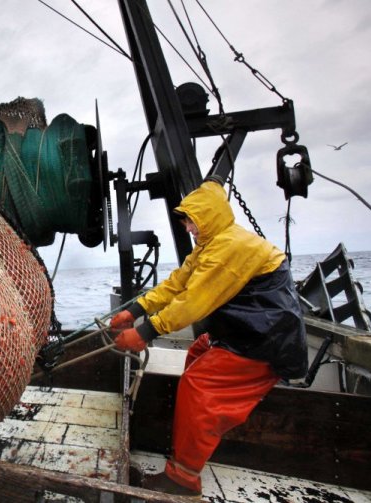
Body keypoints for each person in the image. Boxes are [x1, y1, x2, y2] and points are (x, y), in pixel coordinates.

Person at [110, 177, 308, 497]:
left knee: (198, 385)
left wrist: (146, 332)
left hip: (265, 343)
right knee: (198, 351)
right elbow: (177, 284)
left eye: (191, 220)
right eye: (187, 221)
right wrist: (135, 309)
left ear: (208, 217)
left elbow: (193, 302)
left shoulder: (229, 248)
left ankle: (182, 480)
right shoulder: (210, 245)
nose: (188, 227)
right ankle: (189, 441)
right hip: (243, 332)